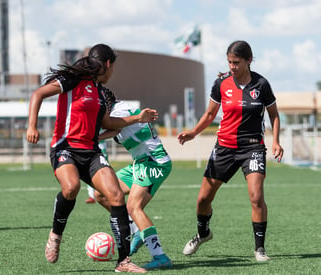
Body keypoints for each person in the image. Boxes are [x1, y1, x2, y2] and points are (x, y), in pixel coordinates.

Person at [26, 43, 158, 273]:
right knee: (71, 187)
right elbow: (38, 93)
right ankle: (56, 234)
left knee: (116, 196)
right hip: (65, 148)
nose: (113, 72)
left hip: (91, 152)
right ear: (107, 64)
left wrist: (138, 117)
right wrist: (32, 126)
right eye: (113, 67)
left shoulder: (98, 91)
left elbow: (107, 123)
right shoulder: (71, 80)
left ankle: (123, 262)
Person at [177, 40, 283, 262]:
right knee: (203, 200)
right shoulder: (221, 83)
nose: (232, 66)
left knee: (256, 196)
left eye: (236, 62)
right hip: (224, 147)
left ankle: (260, 249)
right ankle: (203, 234)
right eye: (229, 62)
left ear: (248, 61)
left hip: (252, 147)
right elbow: (208, 115)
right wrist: (193, 133)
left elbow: (273, 114)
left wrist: (276, 141)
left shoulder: (261, 84)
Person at [94, 87, 173, 270]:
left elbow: (114, 125)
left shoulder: (118, 111)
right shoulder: (117, 112)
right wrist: (94, 138)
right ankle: (136, 229)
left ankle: (160, 257)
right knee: (102, 193)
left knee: (133, 207)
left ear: (105, 102)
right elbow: (114, 130)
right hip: (140, 164)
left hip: (154, 163)